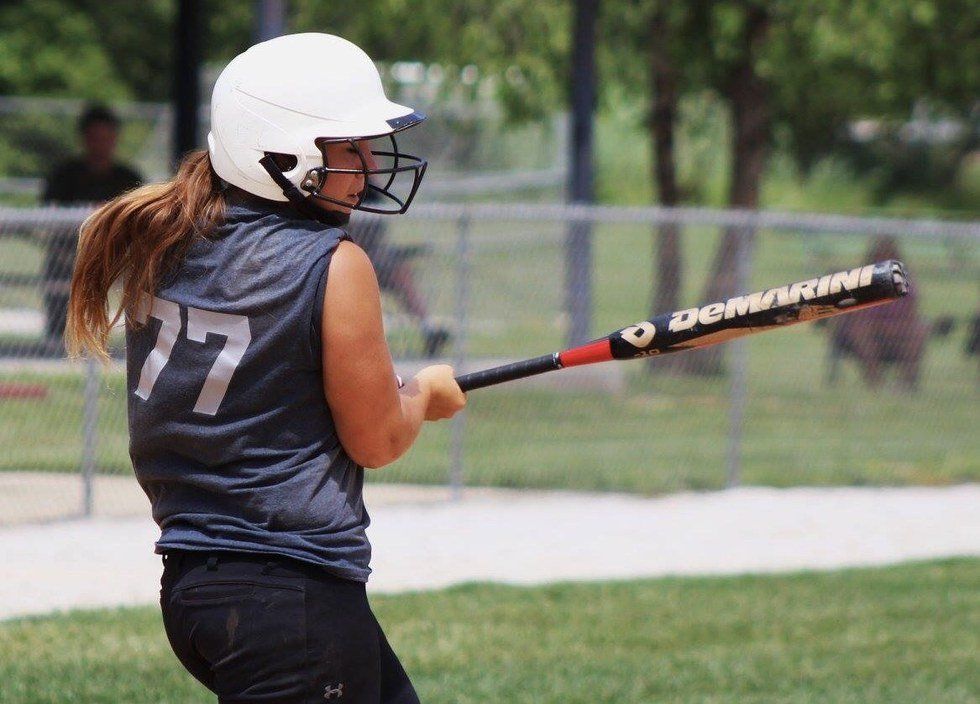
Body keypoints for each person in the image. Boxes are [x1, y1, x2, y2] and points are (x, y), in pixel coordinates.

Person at [65, 33, 465, 703]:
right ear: (280, 156)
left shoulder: (168, 239)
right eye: (349, 149)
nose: (369, 165)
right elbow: (377, 439)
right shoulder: (335, 263)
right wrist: (423, 394)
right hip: (292, 598)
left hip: (196, 589)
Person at [42, 104, 142, 352]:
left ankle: (136, 342)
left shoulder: (127, 177)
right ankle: (60, 346)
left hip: (118, 255)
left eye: (106, 138)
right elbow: (48, 212)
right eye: (94, 138)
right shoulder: (66, 174)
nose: (100, 144)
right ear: (84, 139)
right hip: (71, 253)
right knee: (59, 270)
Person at [347, 189, 451, 358]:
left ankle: (428, 329)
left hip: (376, 258)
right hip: (352, 262)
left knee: (402, 274)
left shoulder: (372, 192)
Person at [828, 235, 928, 390]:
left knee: (920, 329)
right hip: (872, 333)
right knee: (861, 329)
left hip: (899, 332)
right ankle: (875, 381)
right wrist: (881, 328)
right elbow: (858, 315)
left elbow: (911, 313)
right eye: (880, 258)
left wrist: (896, 328)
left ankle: (906, 385)